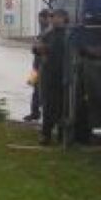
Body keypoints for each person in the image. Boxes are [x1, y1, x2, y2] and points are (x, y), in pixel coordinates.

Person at [34, 8, 68, 144]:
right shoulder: (47, 34)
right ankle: (46, 134)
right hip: (48, 74)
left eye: (57, 17)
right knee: (48, 105)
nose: (54, 19)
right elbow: (36, 48)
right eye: (52, 17)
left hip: (64, 74)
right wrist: (39, 49)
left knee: (63, 105)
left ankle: (61, 134)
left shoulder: (68, 34)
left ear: (64, 18)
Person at [23, 9, 51, 121]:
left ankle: (37, 113)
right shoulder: (43, 31)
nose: (40, 21)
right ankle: (35, 112)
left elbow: (38, 48)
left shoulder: (47, 32)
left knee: (40, 90)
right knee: (35, 89)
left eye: (42, 19)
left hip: (42, 66)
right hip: (36, 66)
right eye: (40, 19)